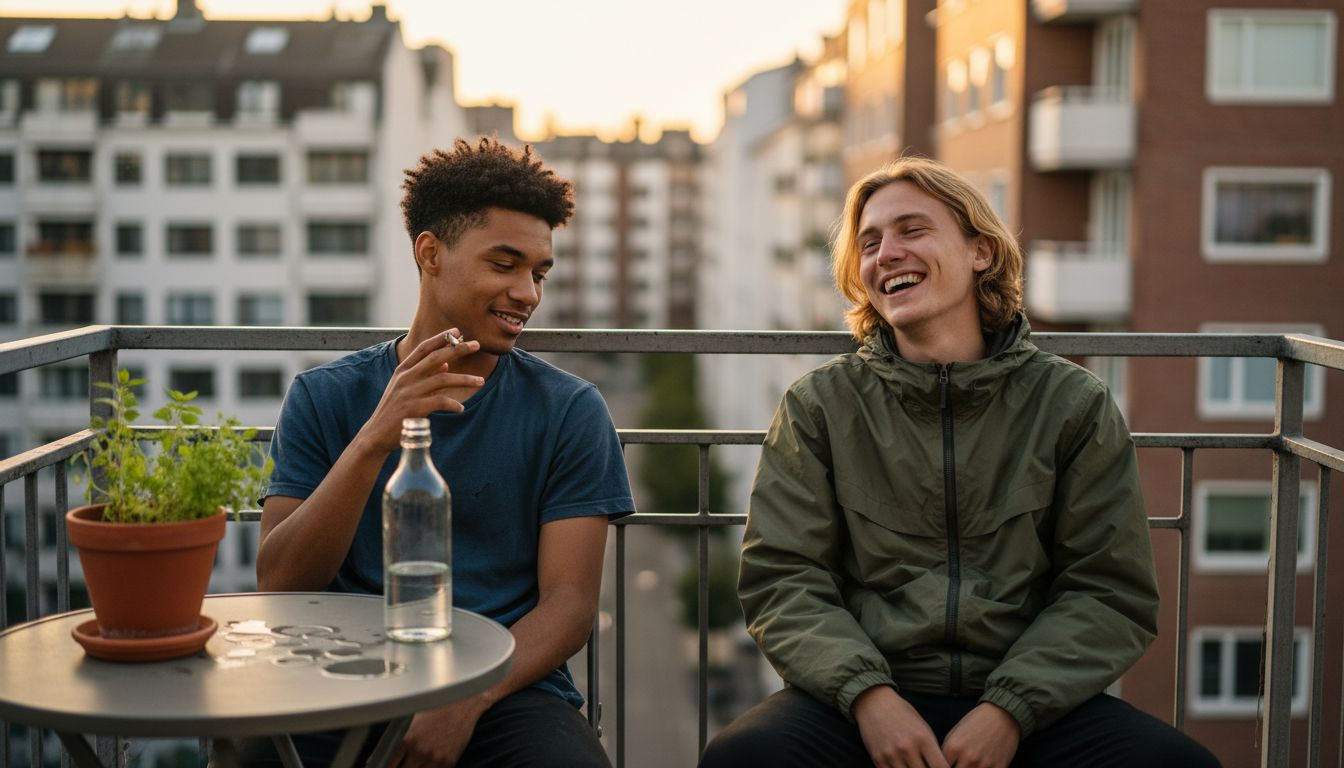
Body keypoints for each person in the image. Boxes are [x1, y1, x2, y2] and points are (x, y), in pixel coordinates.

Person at [700, 158, 1220, 768]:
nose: (887, 254)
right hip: (864, 697)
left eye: (912, 230)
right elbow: (784, 580)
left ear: (980, 251)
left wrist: (1008, 711)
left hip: (1033, 702)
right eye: (870, 243)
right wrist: (869, 698)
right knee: (742, 757)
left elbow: (1108, 591)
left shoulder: (1073, 404)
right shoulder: (820, 406)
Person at [256, 137, 633, 768]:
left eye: (538, 273)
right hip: (338, 675)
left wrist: (466, 699)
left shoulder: (569, 409)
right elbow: (282, 582)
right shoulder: (324, 397)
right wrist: (377, 436)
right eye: (504, 264)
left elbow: (569, 606)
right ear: (430, 253)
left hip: (509, 687)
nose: (528, 293)